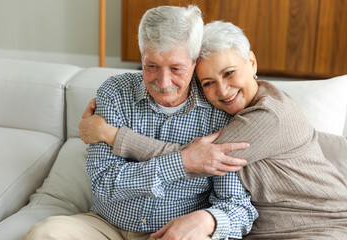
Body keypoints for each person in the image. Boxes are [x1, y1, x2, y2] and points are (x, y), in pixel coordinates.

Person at [81, 21, 347, 239]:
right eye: (208, 82)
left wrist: (111, 135)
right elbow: (192, 157)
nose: (222, 90)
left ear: (251, 63)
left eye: (229, 73)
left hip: (319, 225)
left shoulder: (270, 115)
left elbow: (196, 159)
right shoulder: (230, 113)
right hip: (269, 229)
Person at [27, 6, 258, 240]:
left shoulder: (219, 111)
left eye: (176, 68)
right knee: (44, 233)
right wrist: (182, 163)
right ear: (142, 56)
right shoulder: (114, 92)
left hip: (171, 233)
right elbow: (104, 183)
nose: (163, 81)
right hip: (106, 226)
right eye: (151, 66)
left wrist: (208, 221)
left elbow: (236, 207)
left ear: (194, 62)